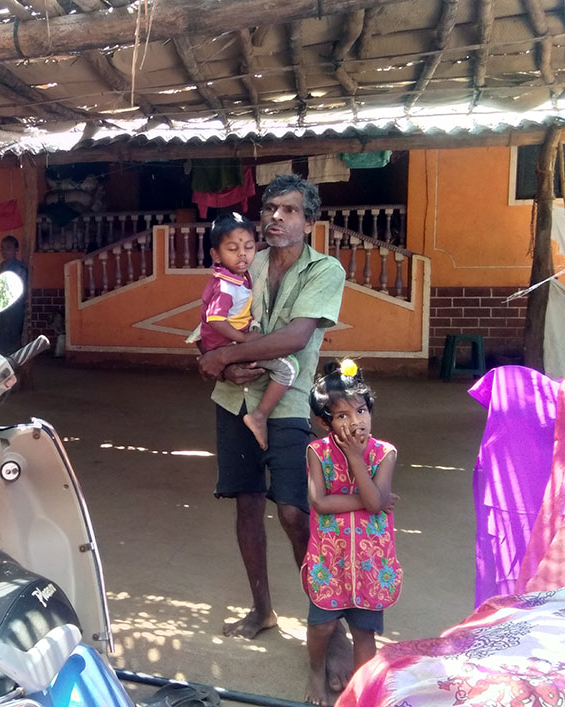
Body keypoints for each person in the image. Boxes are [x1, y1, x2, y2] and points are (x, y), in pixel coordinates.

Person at [197, 174, 350, 687]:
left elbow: (295, 335)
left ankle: (333, 629)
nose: (276, 217)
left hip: (285, 402)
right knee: (245, 505)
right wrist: (213, 359)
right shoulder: (246, 262)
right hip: (232, 398)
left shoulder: (325, 269)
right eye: (270, 208)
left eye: (289, 210)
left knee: (291, 510)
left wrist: (226, 355)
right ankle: (262, 609)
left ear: (309, 221)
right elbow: (210, 320)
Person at [303, 360, 401, 706]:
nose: (354, 421)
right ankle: (316, 670)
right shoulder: (317, 452)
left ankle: (361, 692)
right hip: (330, 558)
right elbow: (320, 502)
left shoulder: (383, 453)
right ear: (324, 423)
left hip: (371, 563)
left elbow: (376, 506)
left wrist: (357, 460)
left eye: (360, 410)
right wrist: (371, 497)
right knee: (321, 626)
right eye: (342, 416)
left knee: (364, 633)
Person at [198, 212, 298, 450]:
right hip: (229, 343)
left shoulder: (233, 275)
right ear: (216, 254)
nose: (243, 254)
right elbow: (215, 319)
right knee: (289, 367)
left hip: (234, 337)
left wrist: (263, 242)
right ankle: (260, 415)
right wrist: (244, 340)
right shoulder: (225, 286)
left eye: (249, 247)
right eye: (232, 248)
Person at [0, 235, 29, 355]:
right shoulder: (3, 265)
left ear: (16, 250)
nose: (4, 251)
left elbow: (17, 289)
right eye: (2, 248)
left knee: (9, 339)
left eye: (8, 248)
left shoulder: (19, 268)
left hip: (13, 309)